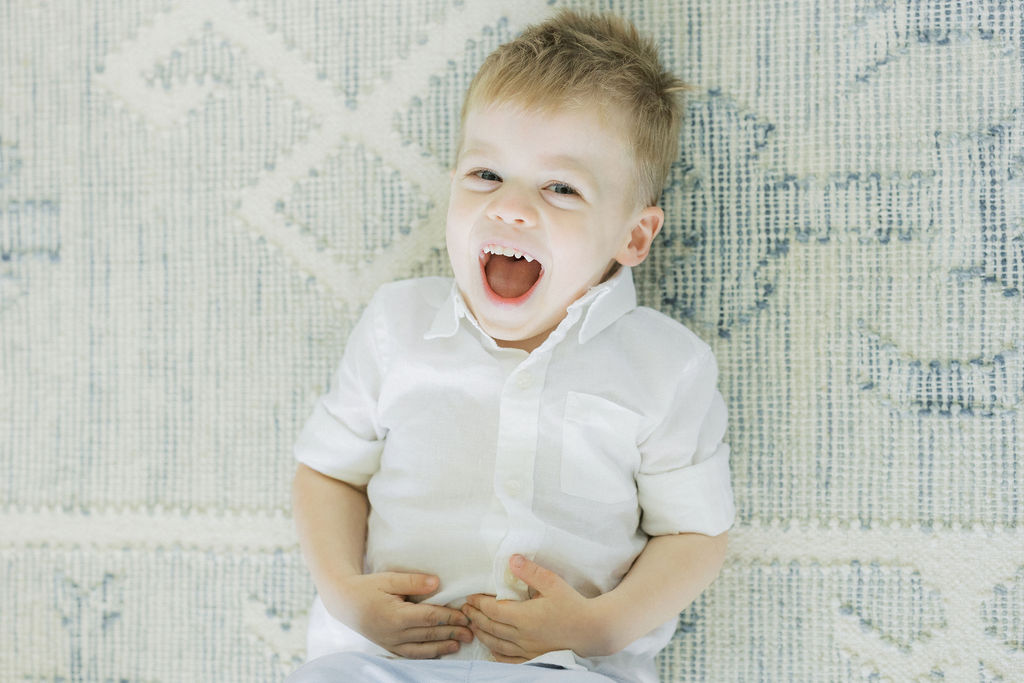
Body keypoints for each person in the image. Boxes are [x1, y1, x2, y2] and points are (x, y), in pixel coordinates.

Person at [288, 9, 735, 682]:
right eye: (485, 176)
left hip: (564, 665)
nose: (512, 208)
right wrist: (344, 591)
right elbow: (328, 472)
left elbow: (696, 534)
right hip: (378, 659)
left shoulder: (666, 367)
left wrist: (599, 624)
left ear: (633, 237)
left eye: (561, 187)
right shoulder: (397, 326)